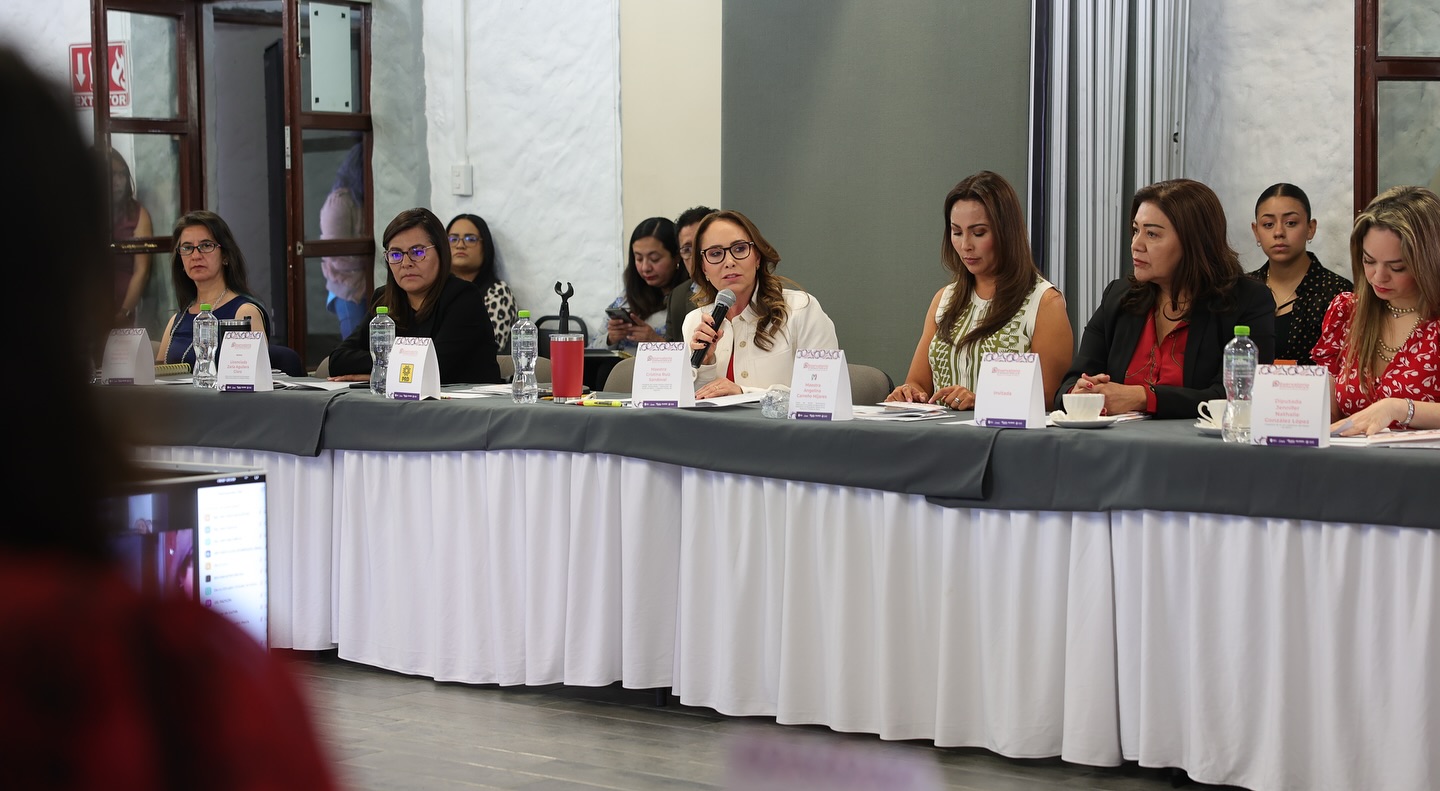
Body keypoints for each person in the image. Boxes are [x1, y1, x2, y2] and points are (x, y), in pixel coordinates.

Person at [0, 44, 337, 790]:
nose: (192, 258)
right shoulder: (189, 675)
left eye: (203, 247)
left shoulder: (242, 310)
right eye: (184, 249)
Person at [1058, 178, 1276, 417]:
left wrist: (1144, 398)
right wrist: (1079, 392)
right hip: (1115, 439)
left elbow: (1237, 396)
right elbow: (1070, 382)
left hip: (1200, 440)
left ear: (1194, 241)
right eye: (1136, 230)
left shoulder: (1248, 300)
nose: (1136, 244)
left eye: (1152, 234)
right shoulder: (1118, 296)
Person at [887, 171, 1073, 410]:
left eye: (978, 233)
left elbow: (1050, 398)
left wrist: (984, 400)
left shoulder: (1044, 303)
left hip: (1002, 432)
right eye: (957, 232)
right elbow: (918, 383)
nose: (965, 245)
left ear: (1006, 233)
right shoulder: (944, 299)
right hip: (938, 430)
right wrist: (908, 392)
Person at [1312, 185, 1440, 435]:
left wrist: (1399, 408)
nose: (1378, 277)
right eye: (1369, 261)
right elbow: (1328, 411)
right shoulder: (1346, 312)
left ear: (1429, 261)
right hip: (1348, 456)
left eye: (1397, 267)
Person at [326, 207, 502, 384]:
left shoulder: (463, 297)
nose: (406, 263)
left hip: (466, 401)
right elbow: (338, 360)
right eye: (396, 254)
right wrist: (387, 370)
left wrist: (381, 372)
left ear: (441, 253)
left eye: (417, 252)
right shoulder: (384, 299)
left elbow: (435, 367)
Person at [682, 209, 840, 397]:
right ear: (704, 268)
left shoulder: (801, 310)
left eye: (739, 249)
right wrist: (706, 363)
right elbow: (692, 404)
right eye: (715, 253)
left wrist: (744, 393)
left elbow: (823, 395)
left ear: (757, 257)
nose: (729, 262)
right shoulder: (695, 322)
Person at [1247, 183, 1351, 365]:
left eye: (1291, 223)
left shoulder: (1338, 293)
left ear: (1311, 228)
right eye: (1268, 224)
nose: (1279, 232)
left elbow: (1346, 368)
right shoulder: (1241, 289)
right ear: (1256, 231)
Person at [156, 211, 273, 365]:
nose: (195, 256)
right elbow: (159, 374)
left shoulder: (244, 313)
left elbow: (252, 373)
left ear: (225, 256)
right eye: (187, 248)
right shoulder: (176, 321)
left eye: (206, 246)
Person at [606, 216, 687, 352]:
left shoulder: (689, 297)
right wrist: (610, 338)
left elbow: (697, 356)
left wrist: (656, 341)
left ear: (677, 256)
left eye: (654, 259)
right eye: (638, 258)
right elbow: (591, 348)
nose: (645, 267)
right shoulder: (626, 297)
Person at [319, 142, 370, 339]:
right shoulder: (340, 202)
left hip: (369, 284)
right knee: (354, 342)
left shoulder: (366, 200)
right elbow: (336, 255)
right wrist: (372, 260)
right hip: (347, 288)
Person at [447, 212, 518, 351]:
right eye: (453, 239)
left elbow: (489, 348)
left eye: (470, 239)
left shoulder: (497, 292)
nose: (460, 245)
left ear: (485, 247)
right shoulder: (435, 289)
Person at [108, 148, 154, 328]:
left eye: (122, 174)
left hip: (122, 309)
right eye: (112, 174)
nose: (118, 181)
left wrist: (124, 312)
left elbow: (141, 270)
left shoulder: (137, 213)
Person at [665, 204, 716, 341]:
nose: (696, 256)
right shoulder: (677, 296)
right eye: (687, 249)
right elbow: (673, 349)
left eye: (701, 245)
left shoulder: (738, 289)